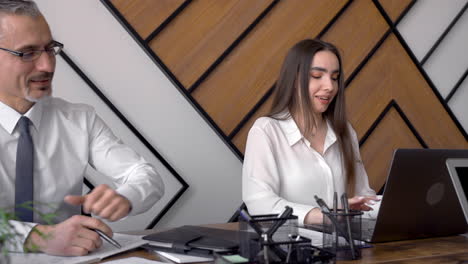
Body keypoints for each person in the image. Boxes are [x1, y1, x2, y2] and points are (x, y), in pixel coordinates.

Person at [0, 0, 164, 256]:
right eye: (28, 52)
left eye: (50, 49)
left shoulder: (79, 119)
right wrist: (39, 238)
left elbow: (145, 175)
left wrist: (126, 197)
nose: (47, 65)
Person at [242, 39, 378, 225]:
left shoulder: (345, 131)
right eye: (316, 75)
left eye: (335, 77)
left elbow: (364, 197)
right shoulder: (266, 131)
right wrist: (324, 216)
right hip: (293, 249)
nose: (329, 86)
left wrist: (390, 206)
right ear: (295, 79)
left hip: (347, 246)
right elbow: (260, 203)